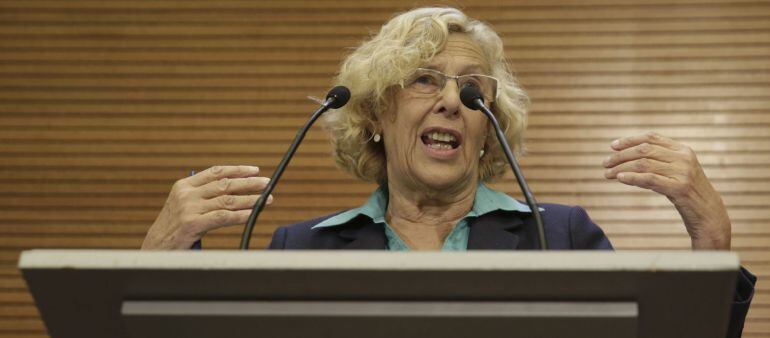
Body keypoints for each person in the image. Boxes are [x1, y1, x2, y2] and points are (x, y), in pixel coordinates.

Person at [141, 7, 755, 337]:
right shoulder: (302, 248)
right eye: (423, 81)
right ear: (377, 112)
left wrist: (711, 239)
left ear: (487, 123)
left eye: (470, 89)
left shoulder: (562, 237)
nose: (449, 101)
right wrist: (159, 257)